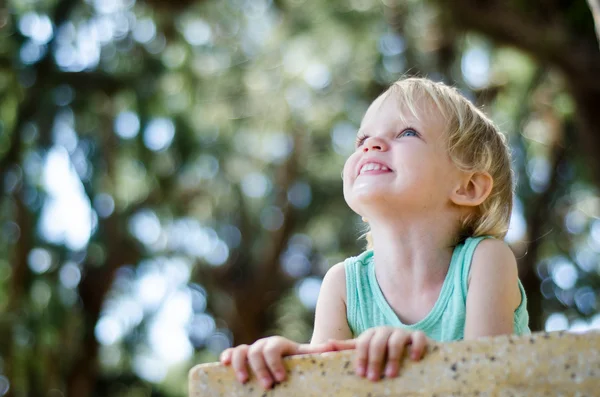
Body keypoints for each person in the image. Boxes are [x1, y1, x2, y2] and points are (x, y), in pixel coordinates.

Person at [219, 77, 530, 390]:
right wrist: (289, 363)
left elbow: (487, 380)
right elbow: (326, 388)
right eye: (362, 139)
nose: (371, 144)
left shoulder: (486, 261)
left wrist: (414, 358)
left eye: (408, 132)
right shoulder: (343, 284)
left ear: (468, 187)